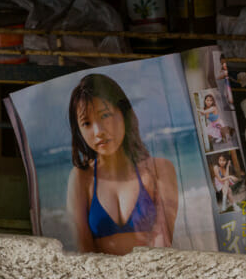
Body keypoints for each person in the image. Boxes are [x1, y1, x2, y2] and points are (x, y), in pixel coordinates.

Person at [66, 74, 178, 255]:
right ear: (78, 130)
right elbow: (84, 249)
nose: (98, 131)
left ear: (124, 114)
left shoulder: (159, 170)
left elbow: (163, 242)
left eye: (105, 116)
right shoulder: (81, 178)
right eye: (86, 123)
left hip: (151, 276)